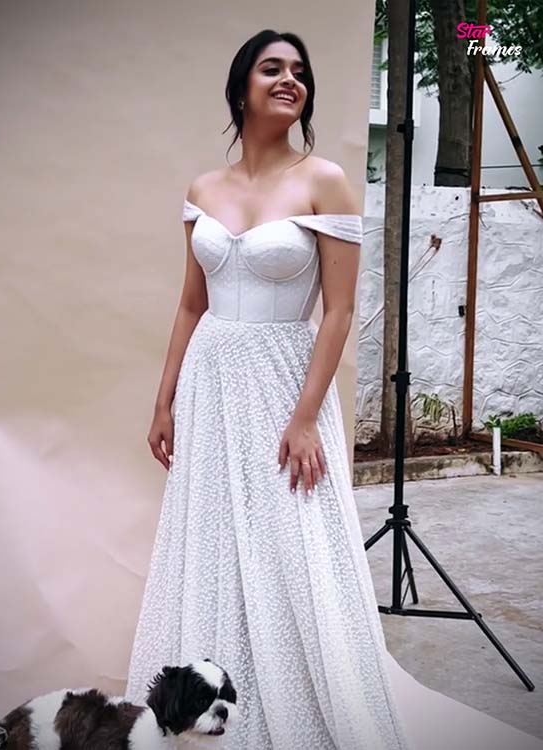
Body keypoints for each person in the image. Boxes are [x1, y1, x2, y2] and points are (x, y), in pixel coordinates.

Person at [125, 29, 543, 750]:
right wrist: (163, 402)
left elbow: (340, 312)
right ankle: (200, 703)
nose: (289, 79)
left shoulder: (324, 180)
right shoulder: (203, 189)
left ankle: (298, 702)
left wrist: (305, 418)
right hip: (209, 382)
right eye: (271, 68)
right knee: (210, 534)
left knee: (290, 542)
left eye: (299, 71)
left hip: (284, 382)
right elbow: (191, 305)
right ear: (241, 87)